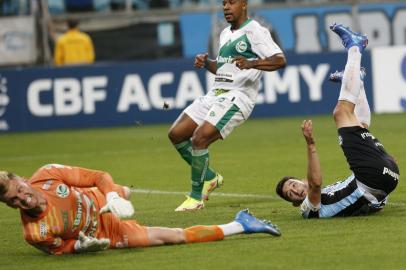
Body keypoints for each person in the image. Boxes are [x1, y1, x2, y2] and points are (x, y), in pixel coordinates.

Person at [0, 164, 280, 255]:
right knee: (174, 237)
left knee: (123, 193)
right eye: (14, 202)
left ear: (23, 180)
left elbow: (98, 176)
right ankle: (242, 223)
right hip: (107, 233)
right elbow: (61, 247)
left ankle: (122, 192)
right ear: (9, 206)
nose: (23, 200)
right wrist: (82, 247)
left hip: (97, 198)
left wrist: (111, 194)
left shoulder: (48, 175)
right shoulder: (34, 234)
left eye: (20, 191)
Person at [168, 0, 286, 211]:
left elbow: (279, 60)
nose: (226, 7)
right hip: (216, 93)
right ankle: (211, 177)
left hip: (238, 97)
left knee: (199, 138)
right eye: (223, 3)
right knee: (176, 134)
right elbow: (223, 71)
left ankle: (196, 198)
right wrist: (206, 63)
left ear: (244, 4)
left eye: (231, 2)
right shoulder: (224, 33)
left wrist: (252, 63)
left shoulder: (255, 31)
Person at [275, 23, 400, 218]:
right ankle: (354, 47)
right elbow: (315, 183)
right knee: (341, 113)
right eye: (290, 194)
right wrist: (311, 144)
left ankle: (357, 81)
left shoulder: (332, 192)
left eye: (293, 185)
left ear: (300, 180)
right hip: (373, 178)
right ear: (294, 204)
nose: (295, 191)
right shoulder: (308, 208)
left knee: (358, 125)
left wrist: (381, 158)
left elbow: (372, 204)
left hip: (384, 179)